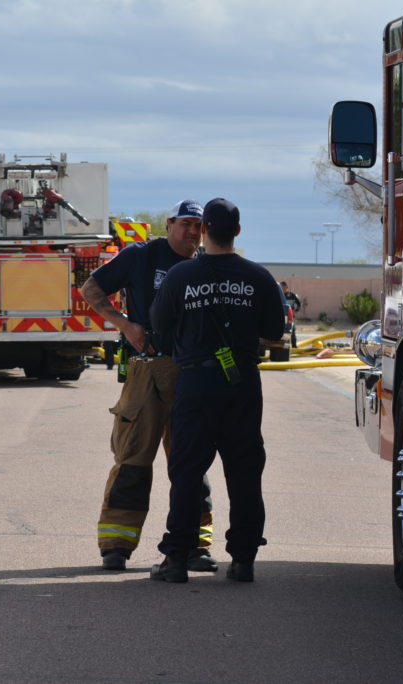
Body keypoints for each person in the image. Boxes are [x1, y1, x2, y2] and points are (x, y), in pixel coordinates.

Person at [149, 198, 284, 584]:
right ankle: (243, 560)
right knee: (244, 473)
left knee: (187, 471)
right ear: (237, 231)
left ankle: (177, 559)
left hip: (196, 382)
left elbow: (159, 323)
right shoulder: (259, 277)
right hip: (241, 383)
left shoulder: (180, 276)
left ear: (204, 230)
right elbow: (275, 331)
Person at [79, 199, 218, 572]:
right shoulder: (141, 256)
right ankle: (116, 545)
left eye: (199, 226)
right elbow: (90, 288)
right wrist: (125, 325)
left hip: (192, 373)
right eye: (186, 223)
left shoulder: (207, 265)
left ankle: (194, 546)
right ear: (170, 224)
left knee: (191, 463)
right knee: (133, 459)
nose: (192, 231)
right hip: (147, 371)